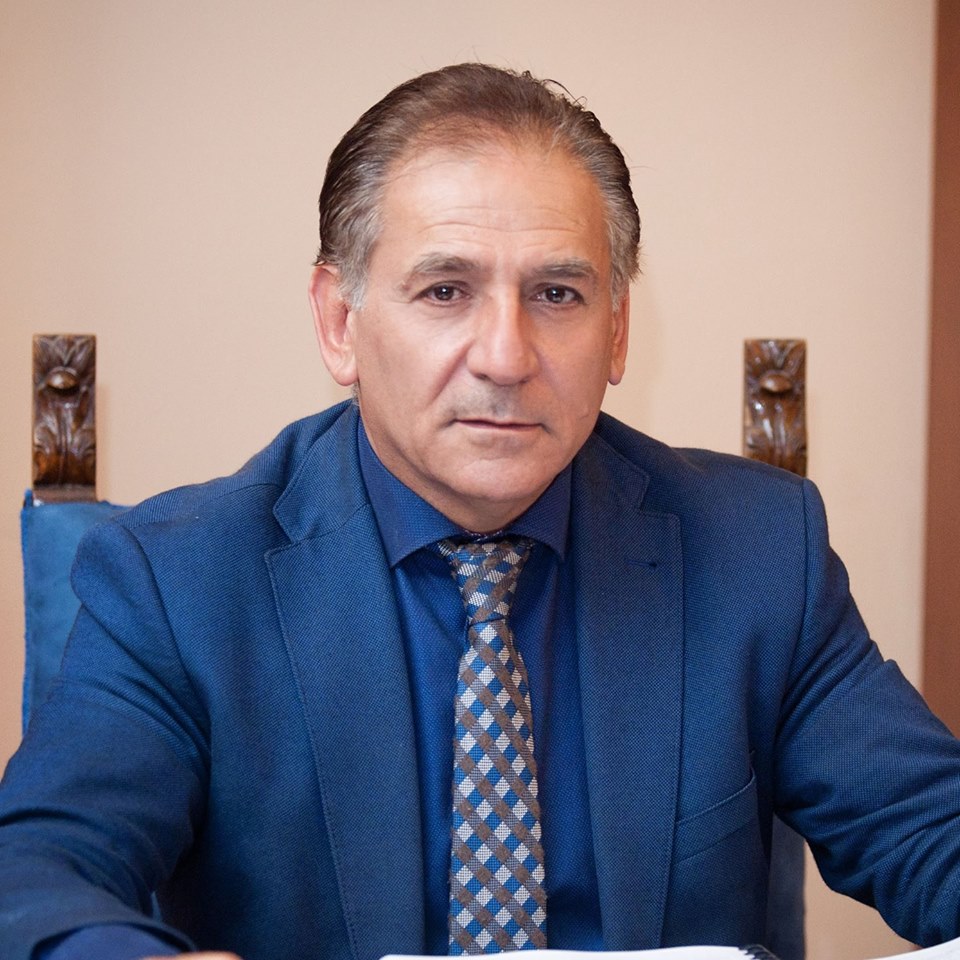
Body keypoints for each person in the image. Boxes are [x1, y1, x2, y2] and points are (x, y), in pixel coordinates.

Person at [1, 62, 959, 960]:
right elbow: (34, 876)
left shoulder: (757, 553)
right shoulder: (179, 581)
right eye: (446, 290)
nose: (506, 356)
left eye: (558, 293)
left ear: (617, 330)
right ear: (339, 322)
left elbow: (933, 831)